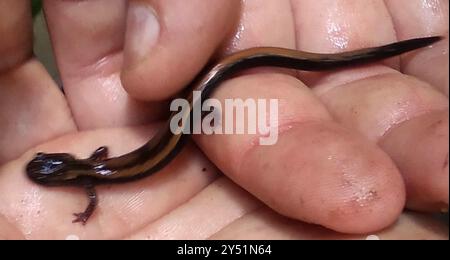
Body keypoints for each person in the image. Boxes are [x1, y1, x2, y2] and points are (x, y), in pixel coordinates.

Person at [0, 0, 448, 240]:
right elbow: (97, 163)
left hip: (179, 126)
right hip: (175, 130)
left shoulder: (92, 180)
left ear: (65, 173)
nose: (49, 170)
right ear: (62, 167)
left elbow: (95, 184)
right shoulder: (92, 171)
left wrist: (86, 212)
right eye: (48, 171)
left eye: (47, 167)